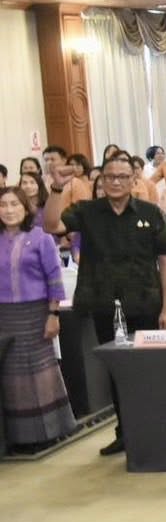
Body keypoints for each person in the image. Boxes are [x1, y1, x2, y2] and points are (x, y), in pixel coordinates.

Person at [42, 154, 166, 455]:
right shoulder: (88, 211)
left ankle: (157, 433)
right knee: (117, 372)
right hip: (106, 305)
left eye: (122, 176)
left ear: (134, 180)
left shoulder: (150, 212)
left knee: (151, 372)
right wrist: (55, 189)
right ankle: (125, 433)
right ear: (101, 181)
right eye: (109, 176)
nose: (116, 181)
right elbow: (51, 226)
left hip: (146, 304)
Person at [0, 187, 74, 448]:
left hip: (36, 312)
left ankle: (51, 430)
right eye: (3, 205)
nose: (9, 210)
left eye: (14, 205)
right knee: (12, 376)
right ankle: (20, 437)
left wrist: (53, 314)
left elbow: (54, 278)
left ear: (26, 208)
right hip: (4, 316)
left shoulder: (40, 237)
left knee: (41, 372)